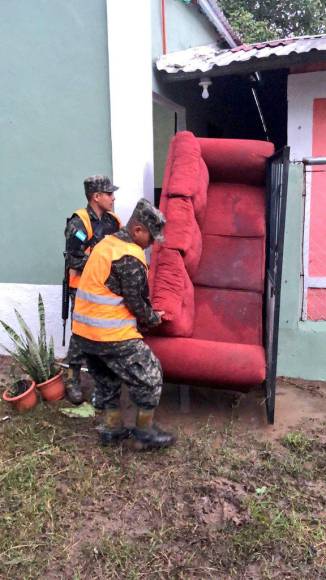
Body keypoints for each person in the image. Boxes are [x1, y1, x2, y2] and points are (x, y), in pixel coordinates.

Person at [71, 198, 175, 450]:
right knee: (150, 375)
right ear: (138, 229)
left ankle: (113, 429)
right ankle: (145, 432)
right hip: (109, 334)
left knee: (106, 379)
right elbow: (136, 303)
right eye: (151, 237)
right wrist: (153, 318)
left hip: (83, 335)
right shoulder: (129, 255)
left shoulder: (107, 243)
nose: (151, 244)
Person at [65, 175, 121, 404]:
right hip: (82, 289)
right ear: (96, 197)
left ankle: (103, 383)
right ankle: (72, 379)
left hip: (106, 290)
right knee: (80, 334)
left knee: (103, 334)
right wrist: (99, 262)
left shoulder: (113, 222)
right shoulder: (79, 224)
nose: (113, 197)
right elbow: (73, 259)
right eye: (109, 194)